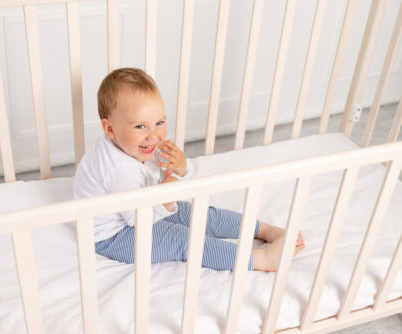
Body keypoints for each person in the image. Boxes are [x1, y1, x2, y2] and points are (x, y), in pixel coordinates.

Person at [73, 67, 304, 271]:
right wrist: (166, 194)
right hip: (114, 236)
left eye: (159, 123)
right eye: (140, 126)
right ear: (110, 129)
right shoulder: (119, 170)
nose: (153, 135)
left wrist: (180, 169)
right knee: (183, 239)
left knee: (199, 213)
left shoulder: (135, 144)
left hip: (141, 210)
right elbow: (140, 219)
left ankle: (263, 230)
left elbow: (161, 179)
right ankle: (259, 260)